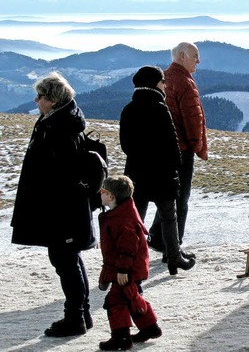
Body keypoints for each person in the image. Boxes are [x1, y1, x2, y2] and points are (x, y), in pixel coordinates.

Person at [11, 71, 96, 337]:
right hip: (61, 207)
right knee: (68, 258)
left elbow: (62, 174)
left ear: (53, 99)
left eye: (40, 96)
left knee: (65, 260)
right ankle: (82, 313)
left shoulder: (60, 128)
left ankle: (75, 318)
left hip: (62, 209)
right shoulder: (56, 121)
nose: (36, 101)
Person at [119, 65, 195, 275]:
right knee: (169, 217)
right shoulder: (161, 109)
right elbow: (172, 144)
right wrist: (176, 169)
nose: (165, 85)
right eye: (162, 82)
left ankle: (131, 259)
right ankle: (173, 257)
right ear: (155, 84)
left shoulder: (128, 109)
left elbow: (125, 146)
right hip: (162, 174)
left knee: (136, 219)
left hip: (136, 173)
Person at [148, 42, 206, 262]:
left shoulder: (163, 78)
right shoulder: (184, 82)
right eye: (195, 56)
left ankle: (156, 237)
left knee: (167, 196)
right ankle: (173, 247)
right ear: (182, 56)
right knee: (180, 199)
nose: (198, 61)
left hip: (160, 149)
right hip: (181, 148)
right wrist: (195, 144)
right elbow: (193, 118)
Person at [97, 175, 162, 350]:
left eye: (102, 191)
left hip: (127, 270)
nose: (100, 194)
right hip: (125, 268)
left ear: (111, 196)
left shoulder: (123, 219)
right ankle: (150, 328)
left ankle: (121, 338)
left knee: (116, 301)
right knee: (132, 297)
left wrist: (123, 270)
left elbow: (128, 247)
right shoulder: (118, 214)